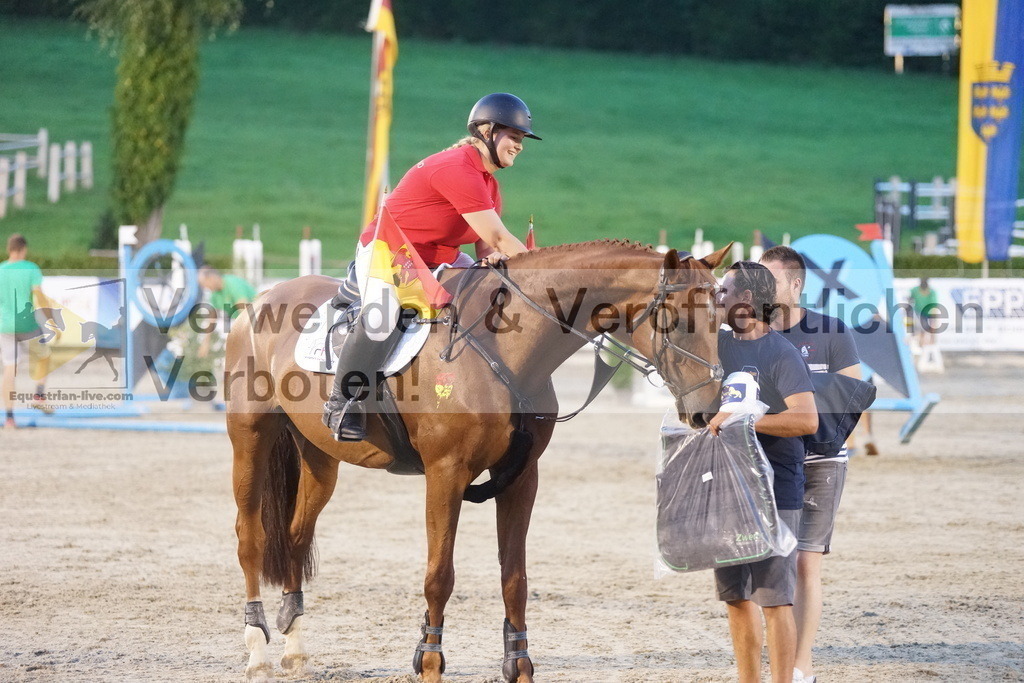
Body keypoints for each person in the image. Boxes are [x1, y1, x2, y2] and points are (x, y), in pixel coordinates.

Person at [322, 93, 538, 441]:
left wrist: (498, 268)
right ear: (487, 131)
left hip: (440, 258)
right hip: (389, 251)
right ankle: (341, 403)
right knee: (383, 317)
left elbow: (487, 246)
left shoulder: (489, 183)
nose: (520, 145)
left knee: (488, 298)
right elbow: (499, 238)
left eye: (522, 139)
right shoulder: (455, 167)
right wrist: (542, 274)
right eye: (514, 136)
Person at [708, 261, 818, 683]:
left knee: (775, 600)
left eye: (724, 291)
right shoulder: (716, 345)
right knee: (736, 597)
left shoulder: (780, 353)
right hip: (725, 485)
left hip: (775, 489)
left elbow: (806, 420)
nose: (717, 298)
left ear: (747, 300)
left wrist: (743, 421)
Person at [760, 245, 861, 683]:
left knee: (805, 564)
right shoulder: (752, 334)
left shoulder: (832, 331)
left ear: (795, 284)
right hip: (768, 464)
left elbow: (853, 393)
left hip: (821, 463)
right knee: (770, 563)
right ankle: (779, 661)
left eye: (770, 281)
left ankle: (802, 667)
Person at [0, 234, 53, 428]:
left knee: (9, 368)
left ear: (9, 249)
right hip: (27, 324)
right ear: (23, 249)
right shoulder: (31, 268)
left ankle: (9, 418)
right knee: (44, 355)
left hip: (5, 325)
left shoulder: (0, 270)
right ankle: (39, 395)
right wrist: (50, 318)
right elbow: (39, 295)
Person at [197, 266, 257, 359]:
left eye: (205, 285)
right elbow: (212, 318)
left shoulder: (232, 284)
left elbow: (244, 311)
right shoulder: (214, 295)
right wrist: (206, 342)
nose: (206, 288)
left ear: (211, 278)